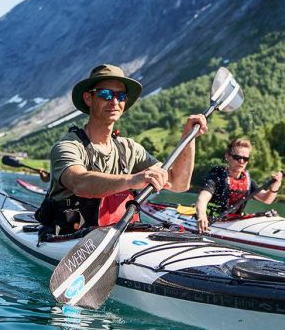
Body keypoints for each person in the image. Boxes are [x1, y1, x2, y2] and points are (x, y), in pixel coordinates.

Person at [35, 63, 208, 238]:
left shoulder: (130, 149)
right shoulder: (68, 146)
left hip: (117, 238)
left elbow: (178, 183)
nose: (115, 102)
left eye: (121, 96)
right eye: (105, 94)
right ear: (89, 98)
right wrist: (133, 179)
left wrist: (189, 138)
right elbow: (78, 182)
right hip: (65, 237)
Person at [194, 138, 282, 233]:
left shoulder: (248, 181)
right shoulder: (217, 175)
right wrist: (202, 216)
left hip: (234, 221)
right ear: (227, 156)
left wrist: (276, 184)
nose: (241, 161)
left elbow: (267, 199)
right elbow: (203, 198)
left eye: (245, 159)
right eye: (237, 157)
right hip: (211, 220)